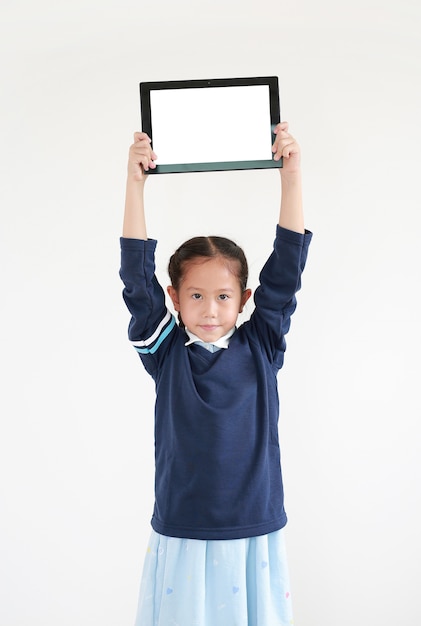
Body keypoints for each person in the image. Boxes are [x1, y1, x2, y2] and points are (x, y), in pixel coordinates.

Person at [120, 122, 312, 626]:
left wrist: (290, 174)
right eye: (196, 296)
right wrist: (134, 183)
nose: (209, 309)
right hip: (184, 529)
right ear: (176, 300)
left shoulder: (260, 343)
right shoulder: (167, 355)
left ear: (244, 300)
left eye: (223, 296)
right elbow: (136, 283)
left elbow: (287, 272)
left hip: (254, 530)